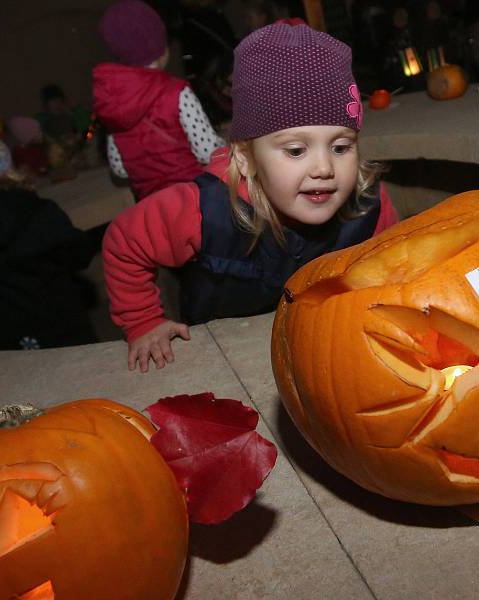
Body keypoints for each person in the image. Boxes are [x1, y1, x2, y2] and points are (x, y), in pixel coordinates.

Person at [103, 22, 399, 372]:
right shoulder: (199, 211)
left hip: (323, 351)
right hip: (222, 361)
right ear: (245, 157)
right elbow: (125, 242)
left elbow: (390, 270)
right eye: (294, 150)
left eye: (340, 146)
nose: (324, 167)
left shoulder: (370, 207)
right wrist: (143, 322)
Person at [0, 123, 97, 350]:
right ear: (2, 161)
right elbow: (79, 253)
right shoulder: (37, 212)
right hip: (60, 317)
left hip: (13, 326)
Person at [94, 0, 225, 198]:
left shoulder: (114, 103)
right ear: (161, 47)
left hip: (152, 209)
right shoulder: (177, 91)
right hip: (193, 199)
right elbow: (208, 151)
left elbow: (119, 168)